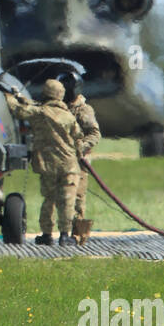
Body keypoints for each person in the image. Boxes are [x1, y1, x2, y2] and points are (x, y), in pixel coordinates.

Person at [5, 78, 82, 247]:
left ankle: (47, 235)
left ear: (45, 94)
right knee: (67, 201)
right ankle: (64, 236)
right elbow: (78, 135)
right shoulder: (68, 116)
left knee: (49, 200)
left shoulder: (40, 113)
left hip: (47, 165)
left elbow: (19, 111)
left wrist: (9, 96)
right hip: (69, 165)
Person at [64, 74, 100, 244]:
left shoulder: (83, 110)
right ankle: (63, 232)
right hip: (63, 160)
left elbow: (94, 134)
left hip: (79, 162)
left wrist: (80, 147)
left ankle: (77, 235)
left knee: (77, 198)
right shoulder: (62, 108)